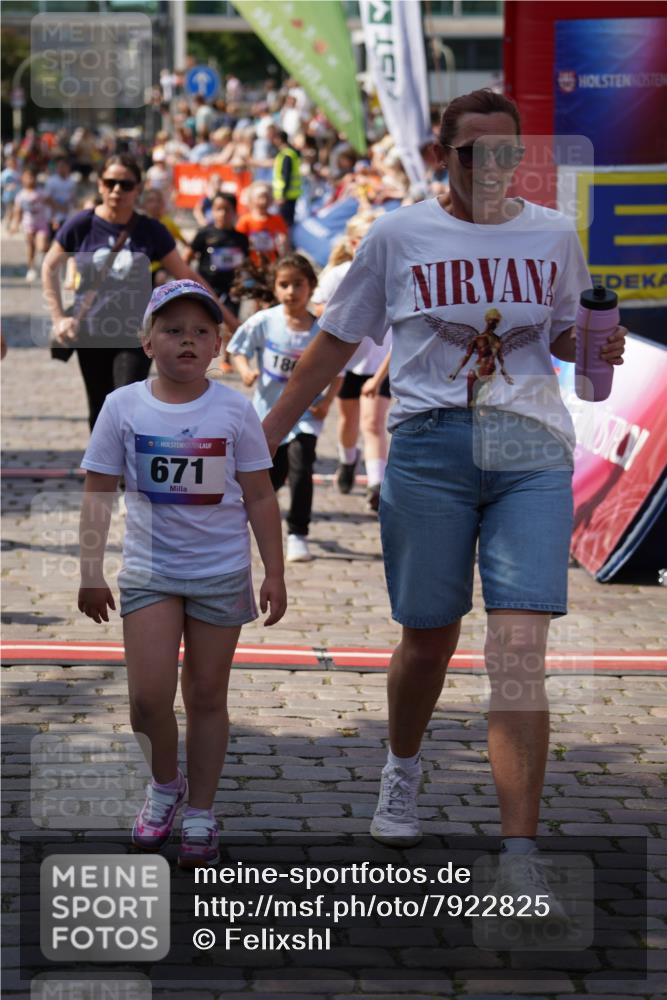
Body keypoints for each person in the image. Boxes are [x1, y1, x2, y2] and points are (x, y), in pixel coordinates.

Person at [261, 89, 627, 903]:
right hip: (429, 448)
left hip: (529, 448)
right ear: (440, 157)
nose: (492, 169)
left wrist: (597, 340)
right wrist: (271, 428)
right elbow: (337, 338)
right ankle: (401, 768)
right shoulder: (398, 235)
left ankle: (520, 849)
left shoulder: (551, 233)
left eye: (506, 154)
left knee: (518, 655)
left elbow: (567, 333)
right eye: (474, 155)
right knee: (427, 641)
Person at [77, 279, 287, 867]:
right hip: (150, 571)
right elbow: (97, 492)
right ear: (148, 342)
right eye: (172, 330)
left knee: (205, 695)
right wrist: (90, 570)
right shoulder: (122, 406)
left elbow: (261, 497)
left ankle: (201, 808)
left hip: (221, 573)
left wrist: (274, 571)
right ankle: (164, 785)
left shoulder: (234, 408)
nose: (186, 341)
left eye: (200, 331)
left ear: (219, 343)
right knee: (147, 700)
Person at [42, 154, 219, 430]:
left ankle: (128, 472)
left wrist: (223, 317)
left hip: (135, 333)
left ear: (137, 189)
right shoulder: (82, 224)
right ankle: (104, 472)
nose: (116, 190)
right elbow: (49, 266)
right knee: (99, 409)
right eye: (110, 183)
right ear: (100, 185)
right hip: (91, 332)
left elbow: (185, 275)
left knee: (127, 404)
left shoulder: (150, 230)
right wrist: (58, 318)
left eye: (125, 185)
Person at [228, 253, 341, 564]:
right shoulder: (265, 321)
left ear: (311, 287)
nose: (291, 291)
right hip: (268, 414)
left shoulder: (322, 330)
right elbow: (237, 348)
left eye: (298, 284)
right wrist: (246, 371)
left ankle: (297, 533)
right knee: (271, 476)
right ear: (275, 288)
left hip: (306, 415)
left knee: (303, 468)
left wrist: (328, 402)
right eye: (284, 285)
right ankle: (251, 515)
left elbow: (338, 371)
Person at [312, 211, 392, 512]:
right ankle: (347, 461)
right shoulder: (338, 274)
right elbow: (317, 306)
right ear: (355, 242)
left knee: (373, 423)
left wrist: (380, 375)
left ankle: (375, 485)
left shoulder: (393, 273)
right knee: (348, 420)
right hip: (346, 364)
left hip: (380, 361)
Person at [184, 191, 249, 372]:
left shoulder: (241, 239)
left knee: (229, 323)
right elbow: (186, 258)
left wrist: (243, 285)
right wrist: (186, 281)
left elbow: (245, 266)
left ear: (234, 212)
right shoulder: (204, 234)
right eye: (218, 209)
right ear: (212, 211)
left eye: (227, 210)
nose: (222, 214)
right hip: (206, 287)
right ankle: (195, 354)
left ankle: (226, 358)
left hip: (231, 288)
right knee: (202, 322)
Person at [10, 167, 51, 282]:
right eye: (27, 177)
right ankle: (31, 268)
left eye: (31, 177)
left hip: (41, 223)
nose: (29, 180)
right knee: (30, 247)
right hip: (28, 224)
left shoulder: (41, 192)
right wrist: (14, 225)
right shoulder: (20, 195)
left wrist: (55, 217)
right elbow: (17, 211)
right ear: (22, 179)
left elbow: (51, 203)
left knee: (42, 246)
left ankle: (44, 259)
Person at [235, 181, 289, 270]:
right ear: (252, 199)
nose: (264, 201)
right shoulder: (245, 221)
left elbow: (284, 241)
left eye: (267, 197)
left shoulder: (277, 220)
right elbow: (238, 243)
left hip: (272, 264)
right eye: (260, 197)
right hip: (251, 266)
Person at [272, 130, 302, 229]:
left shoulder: (286, 155)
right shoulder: (289, 153)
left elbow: (286, 176)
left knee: (285, 223)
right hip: (291, 194)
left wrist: (283, 195)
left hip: (286, 195)